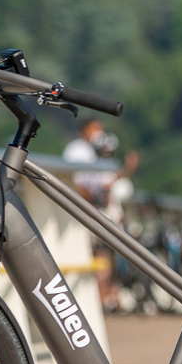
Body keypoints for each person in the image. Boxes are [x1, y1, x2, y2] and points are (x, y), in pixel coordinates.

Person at [63, 120, 138, 311]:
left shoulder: (93, 149)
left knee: (105, 255)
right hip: (89, 210)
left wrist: (128, 170)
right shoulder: (77, 150)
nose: (99, 132)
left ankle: (108, 298)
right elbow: (79, 184)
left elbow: (105, 181)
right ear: (84, 130)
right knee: (99, 255)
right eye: (95, 128)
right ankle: (103, 299)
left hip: (97, 209)